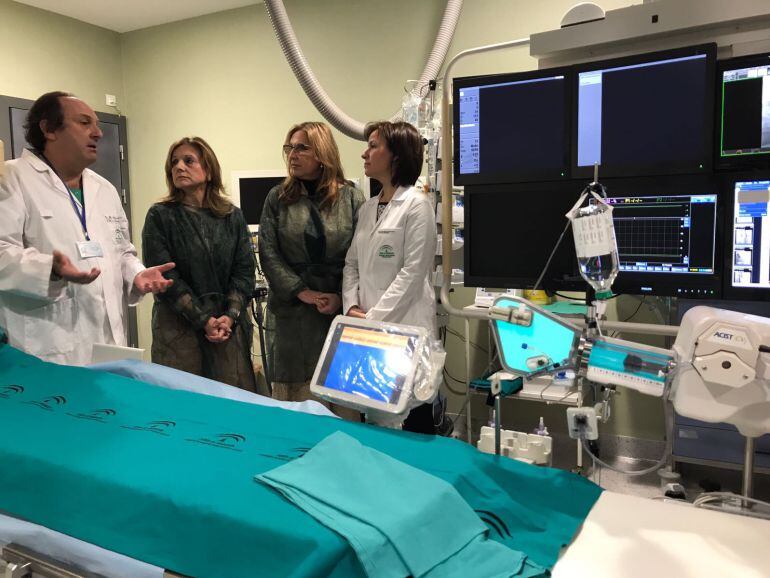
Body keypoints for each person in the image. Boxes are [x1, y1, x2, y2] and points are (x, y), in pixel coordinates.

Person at [0, 91, 174, 366]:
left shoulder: (104, 189)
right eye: (84, 123)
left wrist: (137, 273)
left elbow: (122, 251)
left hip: (109, 344)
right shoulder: (11, 178)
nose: (98, 133)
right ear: (48, 129)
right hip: (46, 347)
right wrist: (49, 269)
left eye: (97, 124)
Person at [259, 122, 365, 408]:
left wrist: (341, 297)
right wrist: (301, 291)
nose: (292, 154)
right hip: (292, 315)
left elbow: (361, 257)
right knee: (296, 404)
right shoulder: (278, 198)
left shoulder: (351, 198)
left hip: (337, 312)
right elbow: (268, 253)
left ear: (322, 153)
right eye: (289, 148)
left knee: (341, 395)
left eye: (302, 148)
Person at [342, 121, 438, 433]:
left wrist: (372, 319)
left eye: (373, 146)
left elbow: (413, 274)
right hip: (368, 330)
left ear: (396, 155)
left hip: (404, 329)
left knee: (409, 421)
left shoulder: (417, 206)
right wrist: (351, 307)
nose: (364, 153)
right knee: (374, 420)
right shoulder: (367, 209)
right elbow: (351, 264)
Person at [142, 137, 258, 392]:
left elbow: (244, 272)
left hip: (226, 329)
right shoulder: (160, 216)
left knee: (230, 401)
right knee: (182, 403)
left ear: (209, 170)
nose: (179, 167)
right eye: (174, 162)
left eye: (188, 161)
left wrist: (230, 316)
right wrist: (203, 319)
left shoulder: (232, 216)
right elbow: (166, 276)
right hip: (177, 330)